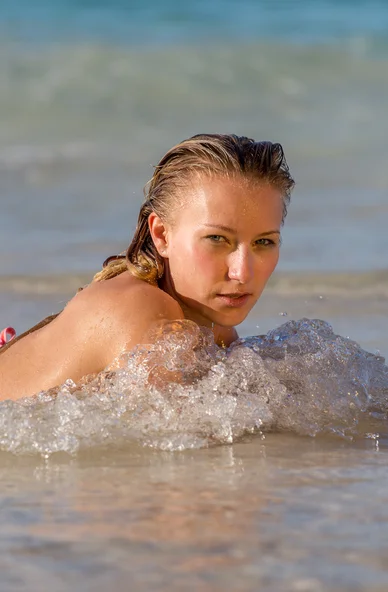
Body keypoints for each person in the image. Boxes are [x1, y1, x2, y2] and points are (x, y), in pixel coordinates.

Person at [0, 134, 295, 401]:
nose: (242, 273)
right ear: (162, 235)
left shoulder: (215, 328)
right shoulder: (145, 312)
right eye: (217, 239)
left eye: (264, 243)